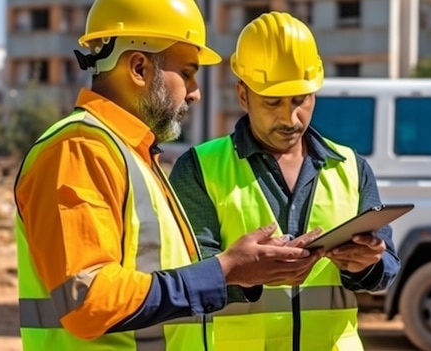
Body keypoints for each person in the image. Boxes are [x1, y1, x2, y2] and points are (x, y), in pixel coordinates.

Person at [14, 2, 323, 350]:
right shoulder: (79, 150)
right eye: (188, 73)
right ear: (140, 67)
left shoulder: (129, 153)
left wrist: (237, 271)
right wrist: (225, 270)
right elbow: (88, 301)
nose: (195, 92)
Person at [169, 11, 401, 351]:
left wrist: (366, 264)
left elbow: (386, 267)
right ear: (243, 95)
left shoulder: (351, 167)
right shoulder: (199, 169)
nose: (290, 118)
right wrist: (243, 273)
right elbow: (184, 276)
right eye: (273, 102)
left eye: (300, 100)